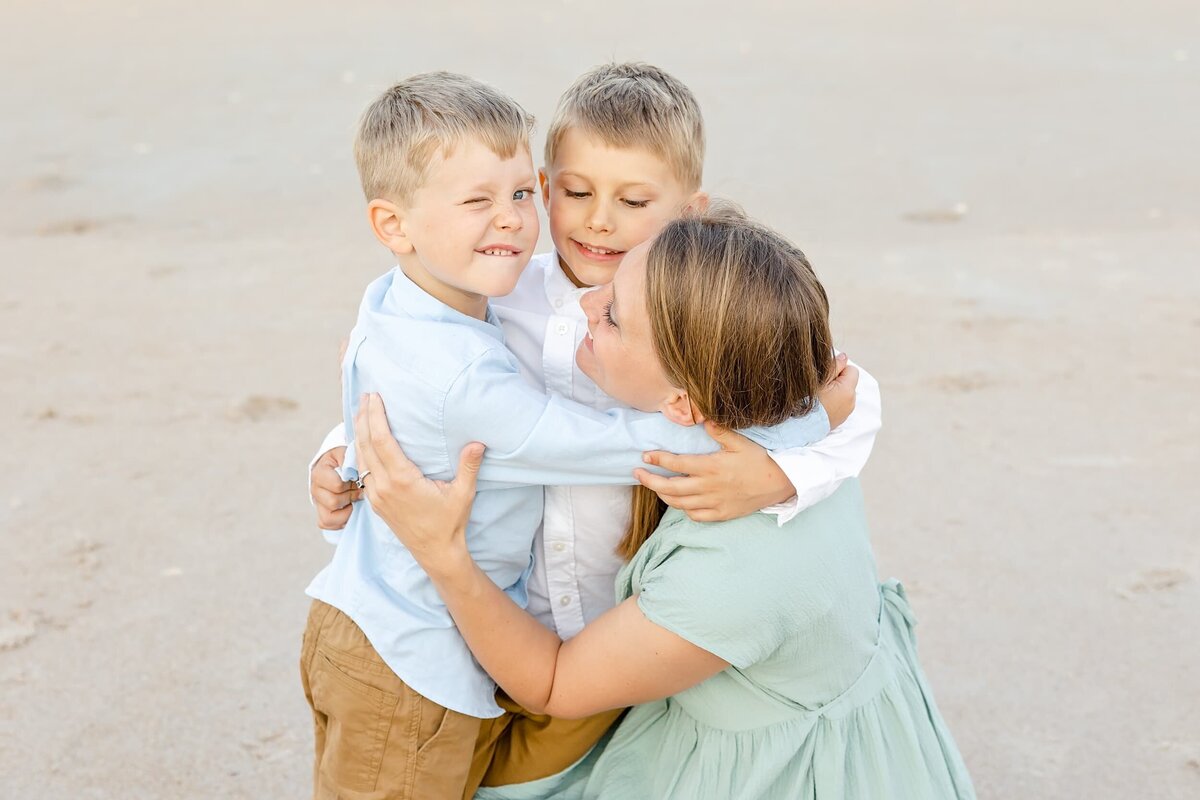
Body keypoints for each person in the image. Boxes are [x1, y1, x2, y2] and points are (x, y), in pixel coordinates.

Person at [307, 64, 882, 797]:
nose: (598, 221)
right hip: (501, 613)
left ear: (689, 214)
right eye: (573, 194)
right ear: (552, 187)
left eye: (633, 200)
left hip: (619, 622)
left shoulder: (702, 308)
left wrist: (784, 468)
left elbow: (833, 388)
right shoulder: (501, 288)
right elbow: (421, 393)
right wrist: (336, 455)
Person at [351, 209, 977, 799]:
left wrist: (444, 555)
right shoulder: (786, 401)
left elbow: (556, 684)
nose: (587, 303)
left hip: (778, 761)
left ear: (682, 405)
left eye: (614, 315)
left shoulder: (733, 568)